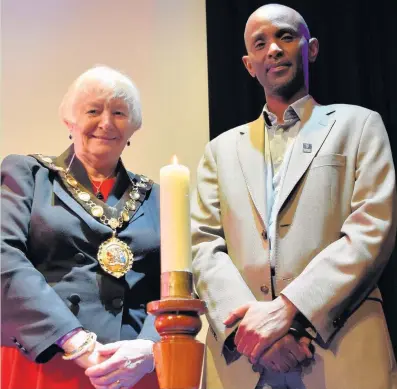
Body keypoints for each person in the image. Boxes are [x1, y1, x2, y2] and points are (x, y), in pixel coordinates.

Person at [191, 4, 397, 389]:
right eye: (260, 42)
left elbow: (371, 229)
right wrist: (251, 334)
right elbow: (204, 245)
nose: (273, 48)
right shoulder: (219, 150)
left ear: (311, 48)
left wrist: (289, 309)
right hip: (243, 361)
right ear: (249, 64)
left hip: (340, 347)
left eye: (285, 36)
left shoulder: (360, 125)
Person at [1, 65, 161, 389]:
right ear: (69, 121)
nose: (105, 123)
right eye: (92, 111)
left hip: (136, 371)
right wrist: (73, 340)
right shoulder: (28, 174)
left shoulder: (159, 196)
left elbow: (179, 283)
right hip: (50, 361)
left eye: (119, 112)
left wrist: (152, 346)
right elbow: (5, 258)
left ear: (133, 127)